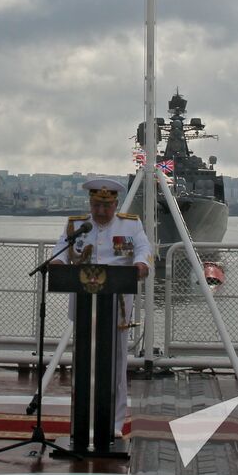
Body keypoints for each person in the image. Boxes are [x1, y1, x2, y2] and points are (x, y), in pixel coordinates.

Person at [50, 176, 152, 437]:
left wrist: (141, 264)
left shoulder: (130, 225)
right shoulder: (78, 226)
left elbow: (143, 248)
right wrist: (59, 263)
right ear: (90, 203)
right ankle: (82, 422)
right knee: (82, 362)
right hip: (85, 303)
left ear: (115, 204)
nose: (101, 211)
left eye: (106, 206)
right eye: (96, 205)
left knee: (116, 364)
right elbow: (62, 247)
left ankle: (115, 423)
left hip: (115, 305)